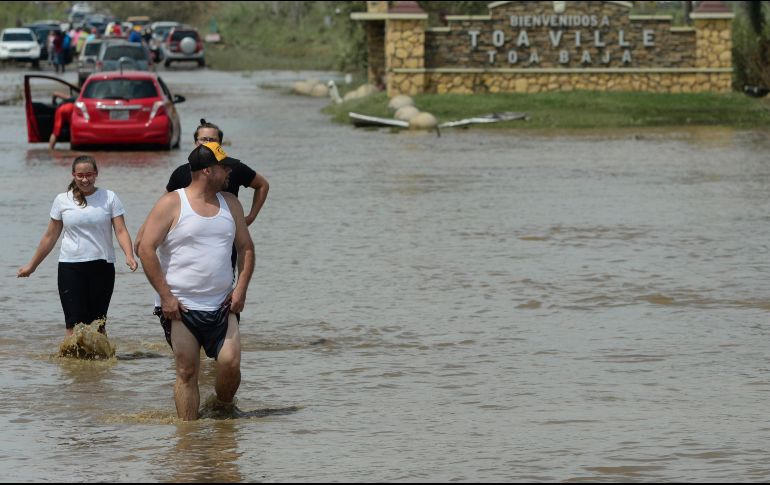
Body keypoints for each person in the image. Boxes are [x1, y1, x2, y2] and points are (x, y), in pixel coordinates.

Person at [137, 142, 255, 421]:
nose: (230, 171)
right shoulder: (171, 203)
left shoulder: (231, 203)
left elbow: (246, 248)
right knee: (187, 371)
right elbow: (145, 249)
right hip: (181, 307)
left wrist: (241, 289)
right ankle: (188, 437)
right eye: (224, 167)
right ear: (207, 171)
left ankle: (222, 410)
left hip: (223, 304)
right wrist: (166, 297)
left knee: (230, 364)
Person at [17, 156, 138, 336]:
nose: (85, 179)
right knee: (73, 325)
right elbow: (50, 236)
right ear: (74, 175)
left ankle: (101, 356)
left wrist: (129, 255)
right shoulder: (62, 200)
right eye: (80, 175)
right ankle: (72, 356)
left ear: (96, 174)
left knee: (98, 324)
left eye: (89, 174)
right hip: (70, 267)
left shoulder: (109, 197)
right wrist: (32, 266)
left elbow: (121, 231)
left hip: (102, 266)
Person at [134, 119, 269, 269]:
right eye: (203, 139)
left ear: (220, 144)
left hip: (225, 241)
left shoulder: (233, 169)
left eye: (212, 140)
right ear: (195, 143)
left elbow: (262, 185)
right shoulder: (181, 173)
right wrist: (143, 231)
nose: (207, 143)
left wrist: (251, 217)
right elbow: (162, 204)